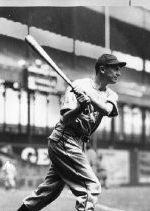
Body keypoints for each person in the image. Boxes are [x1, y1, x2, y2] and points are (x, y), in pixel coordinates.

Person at [17, 53, 126, 211]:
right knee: (91, 187)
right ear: (102, 69)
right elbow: (66, 119)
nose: (119, 72)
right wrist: (80, 107)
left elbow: (106, 110)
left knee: (49, 191)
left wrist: (88, 98)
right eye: (115, 69)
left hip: (78, 143)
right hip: (64, 138)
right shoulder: (78, 85)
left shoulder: (110, 94)